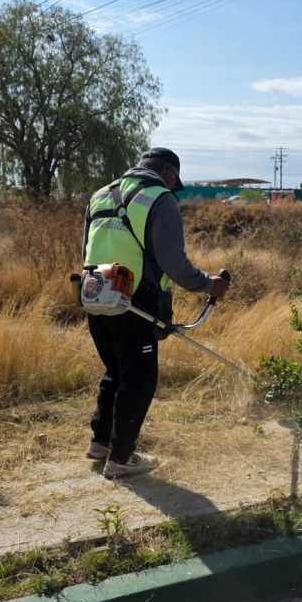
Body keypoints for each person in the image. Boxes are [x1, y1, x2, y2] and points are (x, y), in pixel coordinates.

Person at [81, 147, 230, 478]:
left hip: (96, 296)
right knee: (139, 379)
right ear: (170, 174)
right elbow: (174, 262)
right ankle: (120, 458)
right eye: (174, 181)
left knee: (116, 371)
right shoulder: (161, 198)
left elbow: (85, 252)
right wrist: (209, 285)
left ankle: (101, 441)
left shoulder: (99, 196)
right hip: (136, 304)